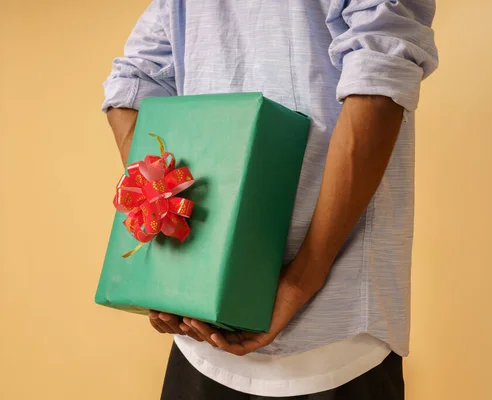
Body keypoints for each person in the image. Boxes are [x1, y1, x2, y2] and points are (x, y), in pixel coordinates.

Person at [102, 0, 438, 398]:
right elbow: (380, 70)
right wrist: (300, 278)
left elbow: (131, 88)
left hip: (293, 343)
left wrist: (186, 264)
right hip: (320, 338)